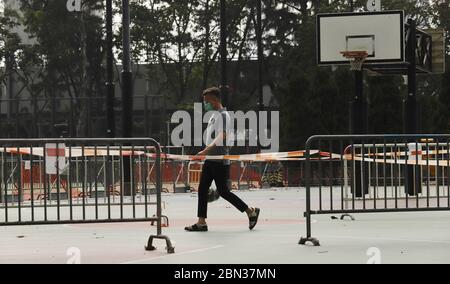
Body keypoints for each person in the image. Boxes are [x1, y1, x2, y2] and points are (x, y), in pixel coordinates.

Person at [185, 87, 260, 232]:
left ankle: (251, 211)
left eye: (206, 101)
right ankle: (201, 222)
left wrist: (207, 149)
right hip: (210, 160)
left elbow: (222, 135)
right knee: (202, 190)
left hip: (219, 161)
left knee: (224, 192)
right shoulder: (214, 116)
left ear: (213, 100)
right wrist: (207, 152)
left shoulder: (224, 115)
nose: (205, 103)